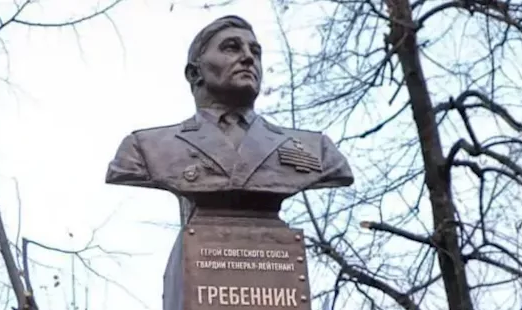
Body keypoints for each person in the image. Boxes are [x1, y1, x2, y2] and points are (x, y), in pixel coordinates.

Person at [105, 15, 351, 207]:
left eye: (255, 52)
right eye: (231, 48)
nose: (248, 58)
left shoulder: (316, 149)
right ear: (194, 73)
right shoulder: (145, 149)